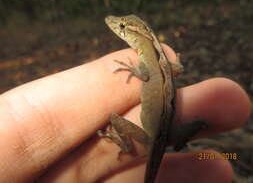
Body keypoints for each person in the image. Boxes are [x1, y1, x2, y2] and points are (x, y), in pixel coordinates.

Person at [0, 44, 250, 182]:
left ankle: (122, 142)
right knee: (203, 122)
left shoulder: (149, 64)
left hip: (153, 137)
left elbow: (145, 74)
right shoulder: (162, 63)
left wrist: (134, 69)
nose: (116, 27)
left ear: (135, 37)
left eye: (122, 27)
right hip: (168, 134)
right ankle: (185, 142)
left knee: (113, 120)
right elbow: (178, 68)